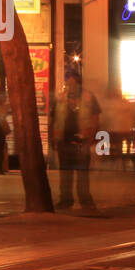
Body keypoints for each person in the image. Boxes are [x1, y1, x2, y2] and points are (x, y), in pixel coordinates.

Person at [51, 67, 102, 209]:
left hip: (82, 140)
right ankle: (66, 199)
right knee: (66, 173)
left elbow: (96, 117)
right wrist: (55, 139)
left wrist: (91, 137)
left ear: (79, 81)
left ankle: (84, 199)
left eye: (73, 80)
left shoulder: (88, 97)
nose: (71, 84)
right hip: (65, 140)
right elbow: (54, 119)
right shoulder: (61, 98)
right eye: (68, 80)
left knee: (82, 173)